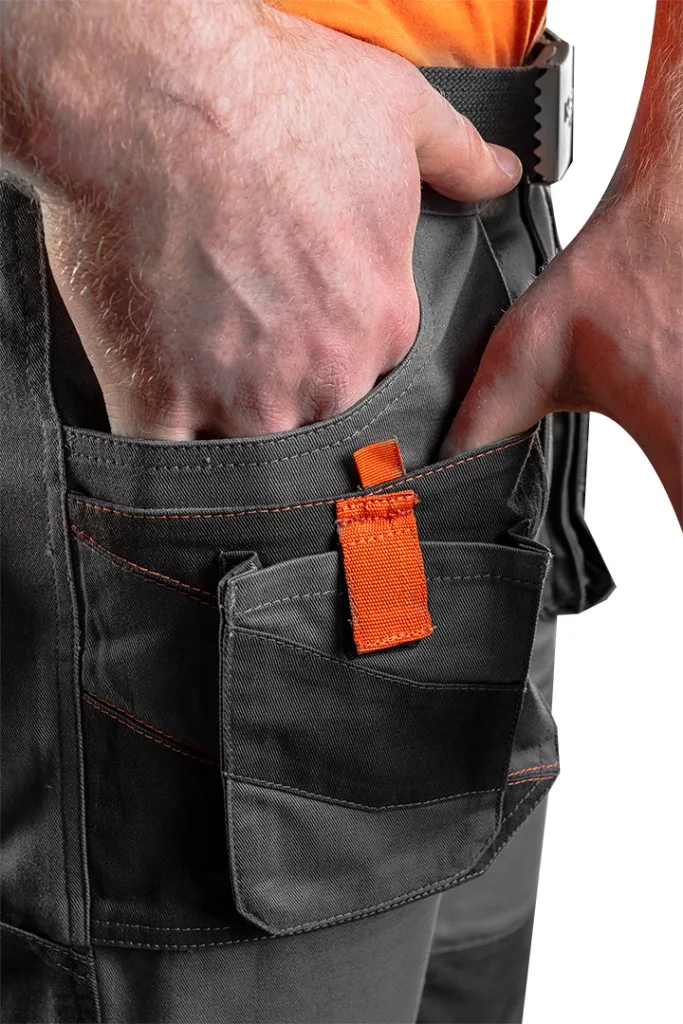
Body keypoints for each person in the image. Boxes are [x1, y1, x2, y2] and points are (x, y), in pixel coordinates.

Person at [0, 2, 679, 1023]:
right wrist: (155, 94)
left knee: (464, 967)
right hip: (189, 239)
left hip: (464, 245)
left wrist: (669, 194)